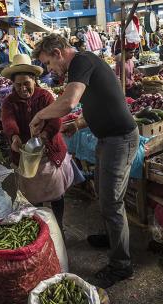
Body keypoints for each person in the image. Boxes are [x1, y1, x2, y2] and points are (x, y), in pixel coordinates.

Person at [29, 34, 138, 288]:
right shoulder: (82, 66)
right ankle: (113, 238)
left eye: (48, 63)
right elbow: (98, 102)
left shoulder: (81, 61)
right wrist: (78, 124)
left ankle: (122, 265)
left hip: (120, 139)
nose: (49, 69)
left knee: (112, 202)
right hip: (108, 139)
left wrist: (40, 115)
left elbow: (69, 102)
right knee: (104, 195)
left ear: (57, 52)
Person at [1, 54, 74, 230]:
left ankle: (59, 224)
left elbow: (56, 120)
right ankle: (43, 226)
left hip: (49, 153)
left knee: (56, 195)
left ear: (34, 79)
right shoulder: (9, 102)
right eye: (18, 85)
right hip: (27, 156)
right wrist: (14, 137)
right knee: (34, 197)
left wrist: (44, 136)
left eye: (26, 83)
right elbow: (8, 121)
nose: (23, 88)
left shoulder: (45, 96)